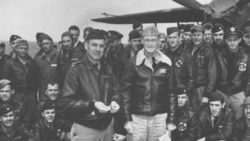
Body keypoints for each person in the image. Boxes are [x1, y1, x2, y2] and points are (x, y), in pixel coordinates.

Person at [60, 29, 120, 141]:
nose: (98, 49)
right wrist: (92, 105)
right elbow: (66, 102)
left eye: (101, 46)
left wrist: (114, 101)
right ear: (86, 45)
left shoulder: (107, 68)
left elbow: (116, 91)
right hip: (85, 128)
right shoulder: (76, 71)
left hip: (107, 127)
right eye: (94, 45)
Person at [120, 26, 176, 141]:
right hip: (138, 118)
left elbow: (172, 93)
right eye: (147, 40)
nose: (150, 44)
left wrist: (171, 120)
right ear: (142, 41)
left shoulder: (166, 63)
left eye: (153, 40)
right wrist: (127, 118)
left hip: (160, 118)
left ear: (158, 41)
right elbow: (125, 92)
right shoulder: (133, 63)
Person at [2, 39, 38, 129]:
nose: (23, 50)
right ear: (17, 49)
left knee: (31, 115)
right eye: (21, 48)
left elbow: (38, 79)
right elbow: (5, 80)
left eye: (25, 48)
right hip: (17, 94)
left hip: (31, 94)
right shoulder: (10, 63)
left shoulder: (32, 62)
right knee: (17, 116)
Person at [224, 27, 250, 119]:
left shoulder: (244, 56)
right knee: (224, 119)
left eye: (235, 40)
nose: (232, 42)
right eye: (230, 40)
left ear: (239, 40)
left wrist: (245, 94)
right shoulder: (221, 55)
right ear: (226, 41)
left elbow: (247, 76)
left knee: (239, 119)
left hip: (239, 92)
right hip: (224, 92)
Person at [190, 25, 217, 112]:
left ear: (203, 36)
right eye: (194, 35)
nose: (196, 37)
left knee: (201, 115)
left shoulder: (208, 51)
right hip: (190, 89)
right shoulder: (188, 49)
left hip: (202, 89)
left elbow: (212, 74)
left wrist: (207, 94)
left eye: (198, 35)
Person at [34, 33, 64, 101]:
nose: (45, 46)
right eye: (43, 44)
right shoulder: (38, 59)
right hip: (43, 91)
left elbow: (63, 74)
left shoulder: (58, 56)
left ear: (52, 43)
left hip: (56, 90)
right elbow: (37, 76)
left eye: (47, 43)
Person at [166, 27, 195, 92]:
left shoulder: (186, 56)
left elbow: (191, 78)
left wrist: (186, 93)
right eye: (170, 37)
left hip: (181, 94)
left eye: (174, 37)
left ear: (179, 38)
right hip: (167, 94)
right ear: (167, 39)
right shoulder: (164, 56)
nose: (172, 40)